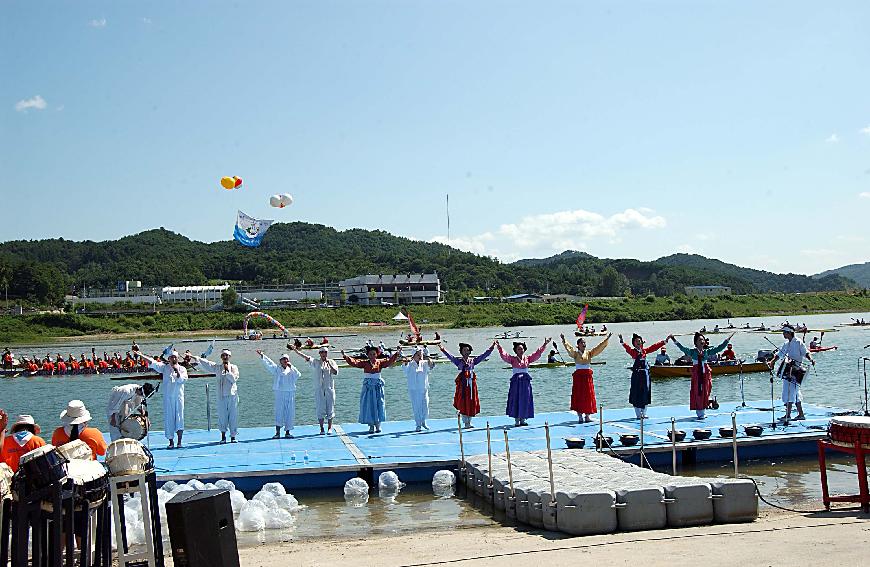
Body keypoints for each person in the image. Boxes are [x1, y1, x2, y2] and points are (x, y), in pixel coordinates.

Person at [669, 332, 734, 419]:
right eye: (700, 340)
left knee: (706, 390)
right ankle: (700, 412)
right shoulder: (692, 352)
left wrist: (727, 340)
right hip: (697, 373)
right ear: (695, 342)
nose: (702, 341)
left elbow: (719, 348)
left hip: (706, 373)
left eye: (703, 339)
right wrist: (674, 339)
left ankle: (705, 405)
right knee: (698, 391)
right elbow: (682, 348)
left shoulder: (707, 351)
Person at [342, 345, 401, 434]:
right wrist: (346, 356)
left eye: (374, 354)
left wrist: (397, 354)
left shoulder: (380, 362)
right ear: (368, 355)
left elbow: (389, 361)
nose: (372, 356)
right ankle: (371, 426)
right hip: (368, 388)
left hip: (377, 387)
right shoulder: (364, 363)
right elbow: (355, 362)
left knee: (379, 404)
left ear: (376, 355)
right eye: (370, 354)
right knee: (369, 405)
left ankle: (378, 425)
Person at [138, 347, 187, 448]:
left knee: (179, 418)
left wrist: (177, 372)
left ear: (178, 358)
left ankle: (179, 442)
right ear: (168, 359)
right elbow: (153, 362)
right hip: (168, 398)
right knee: (169, 419)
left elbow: (182, 380)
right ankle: (171, 442)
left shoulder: (182, 369)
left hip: (178, 398)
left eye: (175, 357)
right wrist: (140, 355)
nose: (173, 359)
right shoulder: (164, 368)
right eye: (171, 357)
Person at [496, 338, 552, 427]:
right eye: (518, 349)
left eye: (522, 349)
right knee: (516, 399)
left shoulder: (528, 358)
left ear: (524, 349)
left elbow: (537, 354)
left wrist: (544, 344)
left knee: (525, 399)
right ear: (515, 350)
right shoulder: (512, 359)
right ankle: (517, 419)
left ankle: (523, 419)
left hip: (525, 383)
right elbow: (504, 355)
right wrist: (499, 347)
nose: (520, 350)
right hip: (516, 383)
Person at [440, 341, 496, 429]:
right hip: (463, 385)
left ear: (470, 352)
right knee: (463, 401)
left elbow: (483, 356)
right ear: (461, 352)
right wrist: (443, 350)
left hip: (471, 385)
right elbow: (450, 357)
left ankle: (469, 421)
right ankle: (465, 421)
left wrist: (491, 348)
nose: (466, 352)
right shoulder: (459, 362)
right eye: (464, 350)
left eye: (468, 350)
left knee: (471, 401)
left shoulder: (473, 361)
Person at [767, 325, 815, 422]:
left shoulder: (798, 342)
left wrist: (811, 359)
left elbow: (806, 352)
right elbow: (779, 354)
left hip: (796, 372)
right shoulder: (786, 344)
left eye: (784, 332)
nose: (783, 334)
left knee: (790, 392)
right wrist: (772, 361)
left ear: (789, 332)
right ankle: (800, 414)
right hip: (787, 371)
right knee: (794, 392)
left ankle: (788, 415)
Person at [561, 332, 611, 423]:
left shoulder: (589, 353)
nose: (584, 344)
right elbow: (569, 349)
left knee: (588, 396)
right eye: (582, 343)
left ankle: (587, 416)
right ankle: (580, 415)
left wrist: (606, 339)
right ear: (578, 345)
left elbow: (598, 348)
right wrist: (564, 341)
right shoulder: (575, 354)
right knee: (579, 395)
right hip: (579, 377)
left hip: (587, 377)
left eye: (584, 343)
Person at [192, 349, 239, 443]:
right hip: (221, 396)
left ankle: (233, 436)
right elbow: (207, 363)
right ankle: (223, 436)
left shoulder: (234, 367)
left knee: (233, 416)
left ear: (229, 357)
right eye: (223, 355)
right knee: (222, 416)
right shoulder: (217, 367)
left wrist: (227, 371)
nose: (225, 357)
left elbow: (234, 379)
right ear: (221, 357)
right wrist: (195, 357)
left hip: (232, 395)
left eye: (227, 355)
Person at [291, 346, 339, 434]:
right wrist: (296, 351)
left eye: (325, 352)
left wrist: (329, 364)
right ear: (319, 354)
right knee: (320, 408)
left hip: (329, 388)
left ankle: (329, 428)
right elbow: (305, 357)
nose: (324, 354)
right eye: (322, 352)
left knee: (330, 408)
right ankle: (321, 428)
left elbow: (335, 372)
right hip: (319, 389)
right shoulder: (316, 362)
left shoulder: (332, 362)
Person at [619, 333, 667, 419]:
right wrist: (622, 342)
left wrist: (664, 342)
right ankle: (638, 414)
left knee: (645, 393)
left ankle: (644, 414)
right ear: (633, 343)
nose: (639, 342)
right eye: (636, 341)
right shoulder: (633, 352)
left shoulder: (644, 351)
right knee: (636, 394)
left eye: (640, 341)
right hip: (637, 376)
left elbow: (654, 347)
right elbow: (627, 348)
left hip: (645, 376)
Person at [257, 350, 301, 438]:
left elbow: (298, 375)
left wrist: (291, 366)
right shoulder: (276, 369)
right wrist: (263, 356)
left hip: (290, 392)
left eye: (286, 359)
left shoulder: (292, 369)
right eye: (283, 359)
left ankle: (287, 432)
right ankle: (277, 433)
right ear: (280, 361)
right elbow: (269, 364)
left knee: (289, 412)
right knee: (279, 412)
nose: (285, 361)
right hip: (280, 393)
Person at [402, 347, 436, 431]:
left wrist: (429, 358)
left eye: (420, 354)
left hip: (423, 388)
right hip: (414, 389)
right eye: (418, 354)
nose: (420, 356)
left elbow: (431, 366)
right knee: (416, 406)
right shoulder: (410, 364)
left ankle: (423, 421)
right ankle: (418, 424)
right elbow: (405, 370)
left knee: (425, 405)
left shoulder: (424, 363)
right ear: (413, 355)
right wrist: (405, 362)